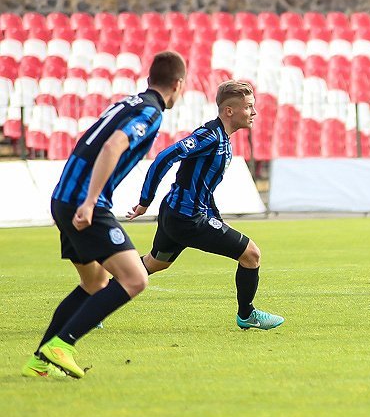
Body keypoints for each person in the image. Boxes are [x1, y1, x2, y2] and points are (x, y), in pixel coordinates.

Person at [23, 51, 186, 378]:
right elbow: (113, 146)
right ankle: (62, 344)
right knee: (135, 278)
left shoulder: (128, 103)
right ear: (178, 85)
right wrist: (90, 201)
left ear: (149, 79)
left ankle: (40, 361)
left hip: (64, 197)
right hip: (85, 203)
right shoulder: (151, 112)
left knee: (95, 282)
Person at [127, 80, 284, 330]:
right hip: (187, 219)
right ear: (229, 111)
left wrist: (216, 218)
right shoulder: (209, 136)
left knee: (155, 263)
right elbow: (164, 157)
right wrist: (145, 200)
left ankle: (96, 299)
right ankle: (247, 314)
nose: (254, 112)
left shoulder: (223, 138)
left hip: (176, 214)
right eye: (248, 107)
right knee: (251, 254)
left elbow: (204, 188)